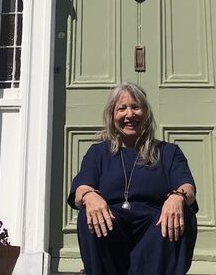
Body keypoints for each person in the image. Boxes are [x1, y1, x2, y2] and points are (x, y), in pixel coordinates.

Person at [67, 82, 198, 275]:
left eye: (136, 107)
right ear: (112, 116)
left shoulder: (168, 152)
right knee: (90, 212)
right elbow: (80, 189)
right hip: (112, 229)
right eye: (122, 108)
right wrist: (88, 196)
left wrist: (177, 197)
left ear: (146, 114)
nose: (130, 114)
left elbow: (188, 187)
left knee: (183, 212)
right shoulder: (98, 153)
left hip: (156, 233)